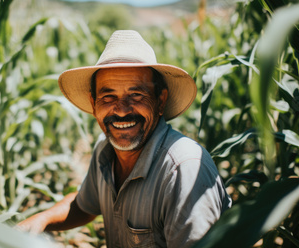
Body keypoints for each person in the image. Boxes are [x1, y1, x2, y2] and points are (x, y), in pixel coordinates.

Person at [16, 30, 232, 247]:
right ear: (93, 104)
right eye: (108, 96)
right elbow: (84, 204)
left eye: (136, 95)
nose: (121, 110)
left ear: (160, 100)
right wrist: (41, 220)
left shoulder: (183, 170)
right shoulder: (105, 151)